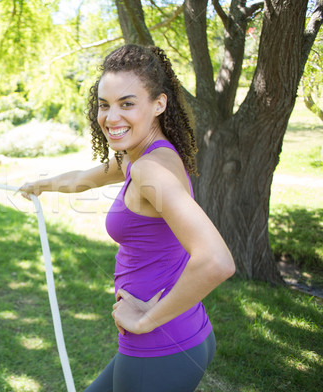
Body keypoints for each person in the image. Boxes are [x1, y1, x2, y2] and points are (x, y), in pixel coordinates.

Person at [19, 44, 235, 391]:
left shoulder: (150, 169)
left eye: (127, 103)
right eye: (105, 105)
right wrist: (40, 185)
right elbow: (83, 178)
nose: (111, 117)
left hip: (158, 349)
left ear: (159, 104)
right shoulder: (139, 157)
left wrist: (148, 320)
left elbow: (216, 261)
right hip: (183, 335)